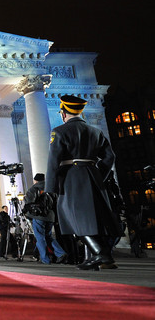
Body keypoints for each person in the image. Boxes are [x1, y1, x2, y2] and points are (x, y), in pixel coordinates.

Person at [45, 95, 119, 270]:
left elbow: (53, 161)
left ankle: (101, 253)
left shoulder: (59, 131)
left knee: (71, 216)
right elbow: (110, 157)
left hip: (71, 178)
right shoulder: (96, 131)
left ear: (63, 113)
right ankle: (99, 258)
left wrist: (50, 187)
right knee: (93, 217)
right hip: (93, 176)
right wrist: (98, 174)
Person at [25, 173, 67, 265]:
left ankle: (45, 259)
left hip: (39, 216)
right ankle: (60, 253)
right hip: (51, 216)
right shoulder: (51, 188)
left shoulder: (33, 188)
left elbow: (28, 203)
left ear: (35, 180)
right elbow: (56, 203)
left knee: (40, 238)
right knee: (48, 236)